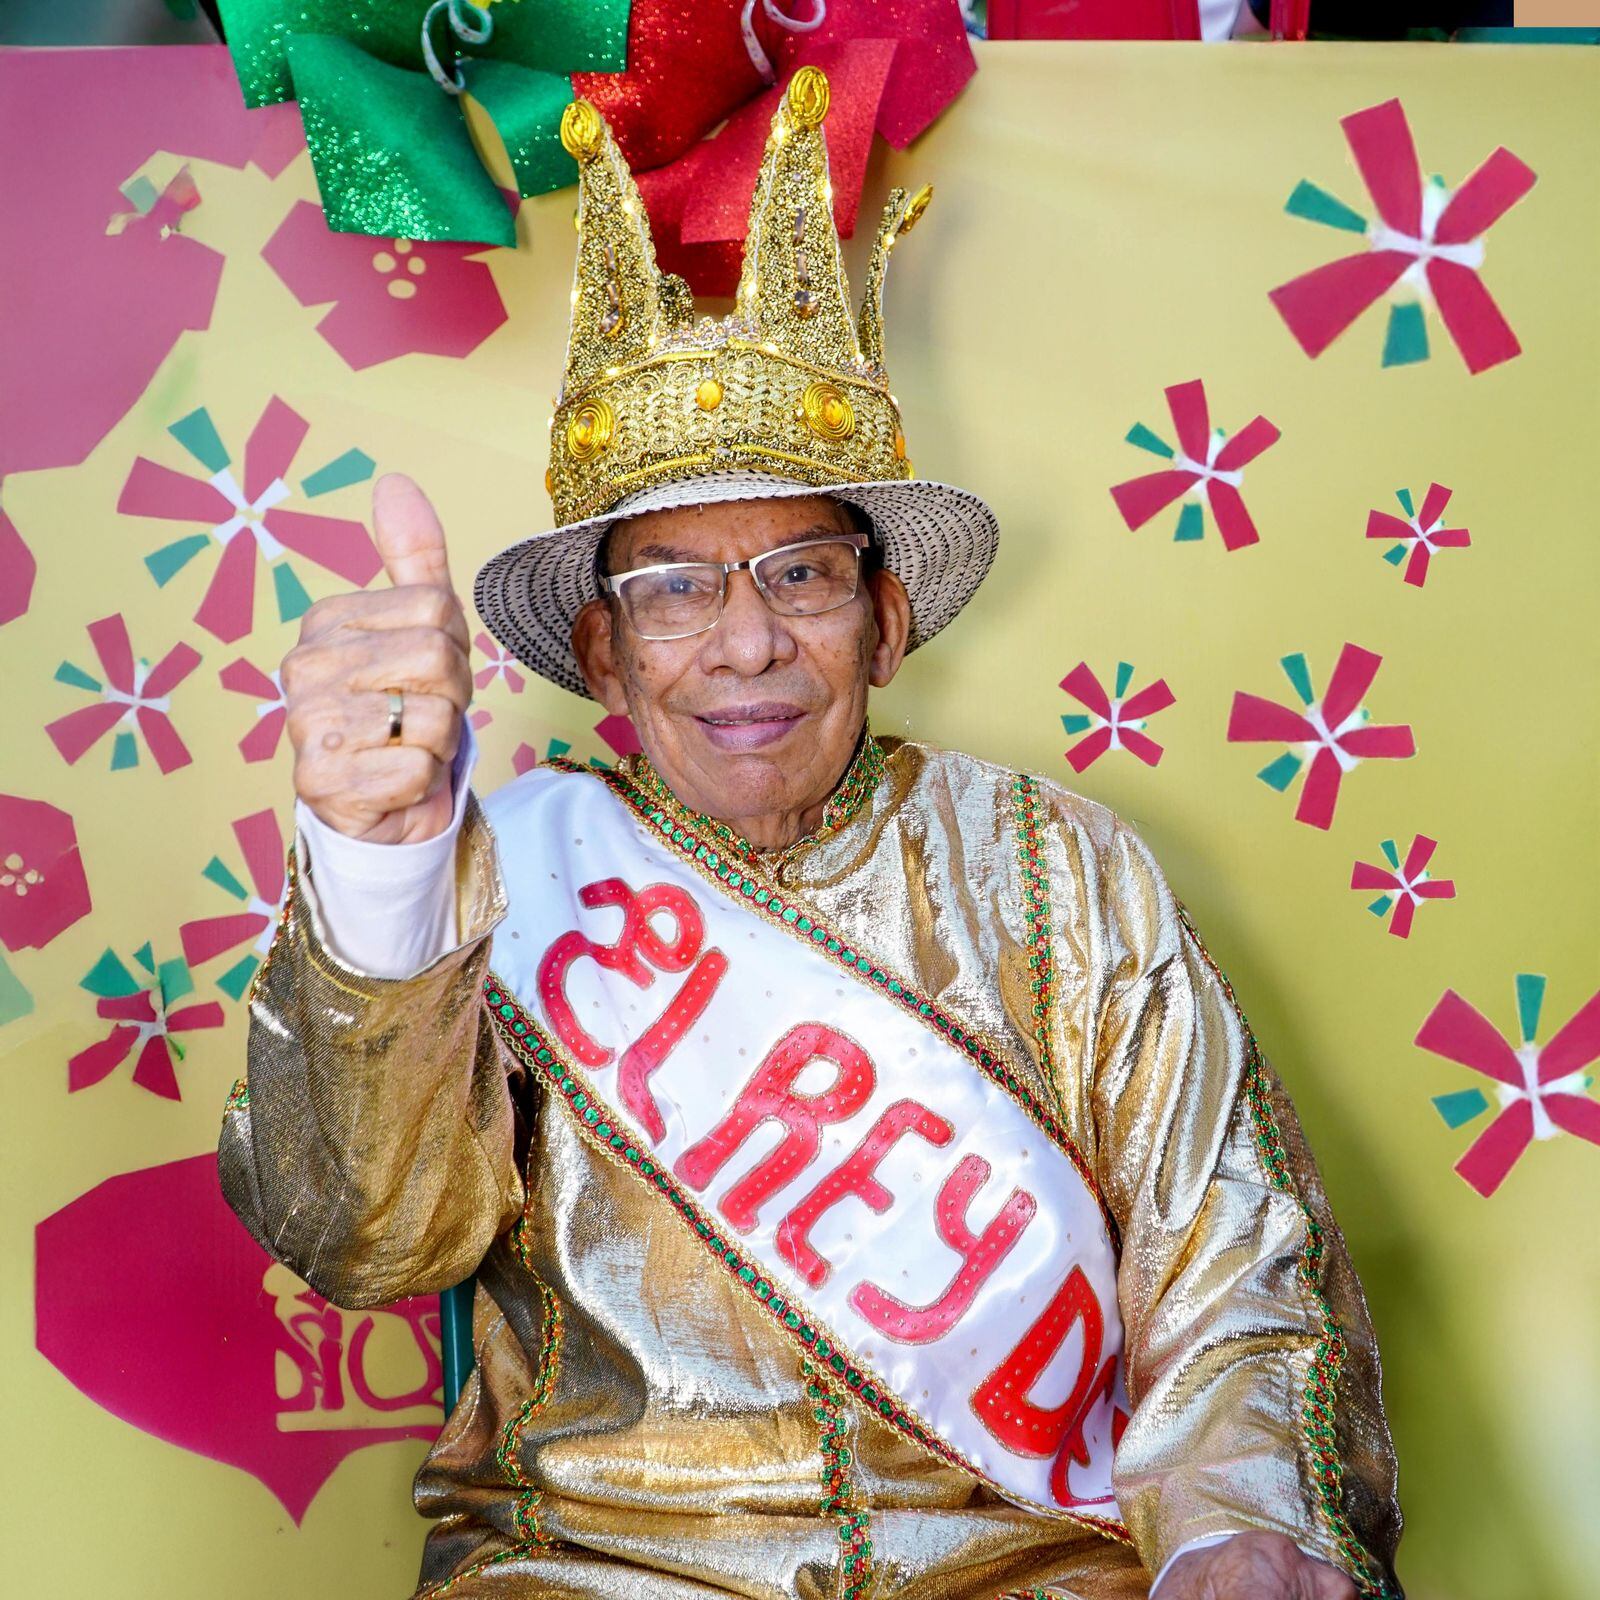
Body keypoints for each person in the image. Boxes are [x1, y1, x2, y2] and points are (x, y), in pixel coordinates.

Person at [220, 69, 1402, 1600]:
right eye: (672, 588)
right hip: (598, 1570)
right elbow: (361, 1242)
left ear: (888, 617)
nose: (746, 644)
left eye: (802, 573)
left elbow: (1234, 1263)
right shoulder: (497, 874)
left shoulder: (1066, 867)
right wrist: (376, 866)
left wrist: (1237, 1532)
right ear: (598, 657)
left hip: (1038, 1568)